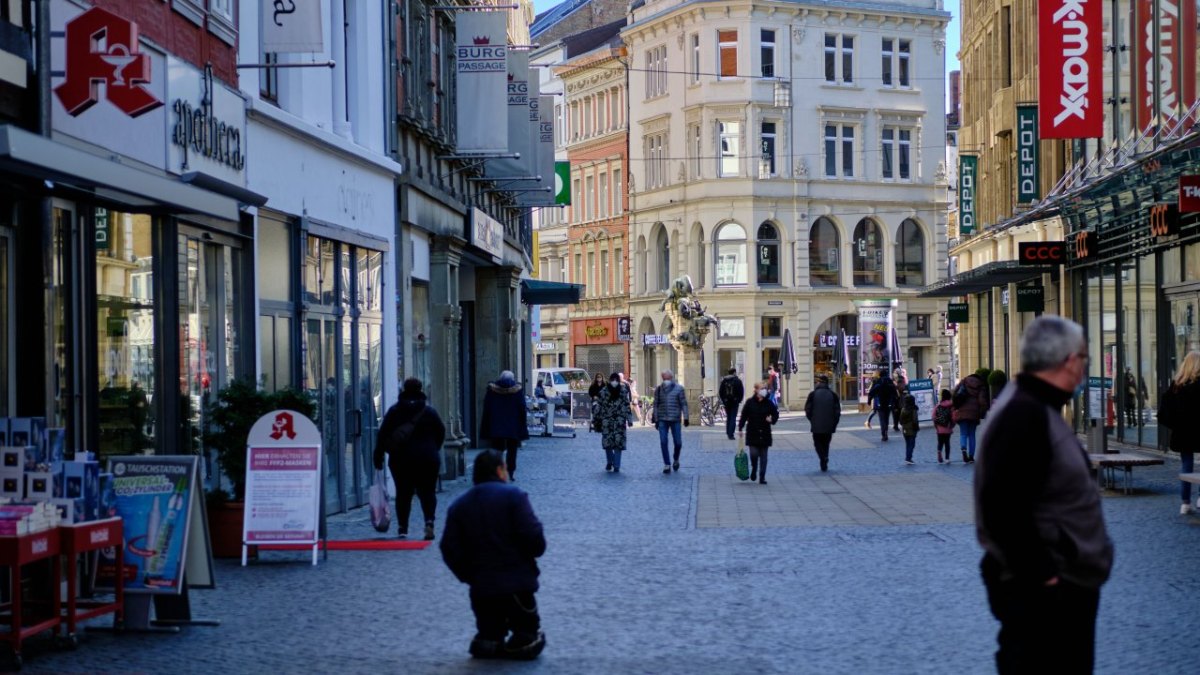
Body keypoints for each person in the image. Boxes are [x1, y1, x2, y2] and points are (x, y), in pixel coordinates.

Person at [975, 316, 1113, 674]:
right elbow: (1002, 507)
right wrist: (1044, 574)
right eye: (1084, 359)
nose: (1084, 371)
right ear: (1069, 360)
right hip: (1047, 595)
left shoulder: (1035, 408)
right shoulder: (1024, 415)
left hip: (1056, 587)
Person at [440, 450, 547, 661]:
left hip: (482, 587)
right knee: (527, 637)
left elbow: (449, 547)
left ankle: (490, 642)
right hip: (517, 585)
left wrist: (468, 575)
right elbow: (533, 537)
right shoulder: (514, 497)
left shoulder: (460, 505)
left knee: (488, 638)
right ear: (500, 471)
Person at [374, 378, 447, 540]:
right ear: (420, 390)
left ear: (403, 390)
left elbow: (383, 435)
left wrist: (378, 455)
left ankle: (403, 528)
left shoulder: (394, 411)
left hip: (401, 459)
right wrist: (433, 448)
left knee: (403, 493)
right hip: (428, 458)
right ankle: (429, 521)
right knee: (428, 491)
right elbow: (441, 431)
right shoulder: (430, 412)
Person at [1157, 350, 1200, 515]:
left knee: (1186, 464)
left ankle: (1185, 503)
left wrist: (1176, 424)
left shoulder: (1176, 386)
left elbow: (1164, 412)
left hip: (1183, 432)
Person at [479, 370, 530, 479]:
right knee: (512, 451)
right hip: (513, 426)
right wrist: (522, 424)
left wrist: (487, 424)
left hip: (496, 425)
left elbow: (487, 408)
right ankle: (510, 472)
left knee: (497, 451)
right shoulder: (517, 391)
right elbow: (522, 408)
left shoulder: (492, 390)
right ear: (512, 379)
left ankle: (496, 472)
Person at [739, 381, 779, 484]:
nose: (764, 390)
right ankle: (754, 468)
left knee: (764, 456)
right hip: (753, 432)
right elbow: (743, 415)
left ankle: (762, 476)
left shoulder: (769, 403)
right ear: (756, 390)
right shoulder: (750, 402)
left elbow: (775, 414)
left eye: (765, 388)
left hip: (765, 432)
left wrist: (772, 419)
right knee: (754, 454)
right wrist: (740, 428)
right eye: (762, 388)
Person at [595, 372, 633, 472]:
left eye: (616, 380)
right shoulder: (604, 391)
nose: (615, 382)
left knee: (617, 444)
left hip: (616, 421)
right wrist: (596, 419)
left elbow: (627, 406)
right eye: (613, 380)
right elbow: (599, 406)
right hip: (609, 421)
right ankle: (611, 462)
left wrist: (629, 419)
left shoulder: (623, 391)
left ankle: (616, 465)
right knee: (609, 444)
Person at [652, 369, 689, 474]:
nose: (666, 380)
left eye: (667, 378)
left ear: (671, 378)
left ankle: (676, 458)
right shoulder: (658, 390)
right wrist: (656, 418)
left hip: (675, 419)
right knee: (663, 442)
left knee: (678, 442)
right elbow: (656, 404)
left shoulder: (679, 389)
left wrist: (686, 417)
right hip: (663, 419)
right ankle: (667, 464)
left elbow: (684, 404)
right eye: (664, 378)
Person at [804, 373, 841, 472]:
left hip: (816, 425)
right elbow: (837, 412)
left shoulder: (813, 394)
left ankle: (822, 457)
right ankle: (824, 457)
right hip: (829, 425)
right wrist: (834, 423)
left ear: (819, 382)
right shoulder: (833, 395)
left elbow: (807, 409)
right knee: (826, 443)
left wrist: (812, 420)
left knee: (817, 443)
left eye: (817, 381)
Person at [952, 370, 990, 463]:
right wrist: (983, 412)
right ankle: (971, 456)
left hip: (962, 411)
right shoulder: (981, 385)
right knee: (972, 435)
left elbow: (954, 393)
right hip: (974, 412)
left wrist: (955, 405)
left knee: (963, 433)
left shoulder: (964, 381)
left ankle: (963, 449)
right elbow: (982, 401)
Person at [867, 370, 899, 441]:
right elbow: (895, 393)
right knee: (886, 418)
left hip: (880, 403)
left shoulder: (879, 381)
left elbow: (872, 391)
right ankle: (886, 432)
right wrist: (896, 402)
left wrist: (869, 400)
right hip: (888, 403)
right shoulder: (890, 381)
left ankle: (883, 433)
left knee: (882, 419)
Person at [718, 367, 745, 440]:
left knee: (729, 416)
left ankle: (728, 431)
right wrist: (739, 400)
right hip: (734, 402)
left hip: (727, 402)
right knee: (733, 417)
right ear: (734, 372)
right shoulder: (737, 381)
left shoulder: (724, 381)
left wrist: (724, 400)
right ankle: (731, 434)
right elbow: (741, 392)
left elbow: (720, 391)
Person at [933, 389, 956, 464]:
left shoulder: (938, 405)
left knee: (940, 442)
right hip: (948, 427)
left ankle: (939, 452)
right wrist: (952, 425)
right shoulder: (951, 405)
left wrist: (936, 424)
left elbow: (933, 416)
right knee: (947, 443)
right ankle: (947, 458)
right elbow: (953, 417)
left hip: (939, 428)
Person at [899, 394, 919, 465]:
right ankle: (908, 458)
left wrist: (904, 425)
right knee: (911, 444)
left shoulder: (903, 409)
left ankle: (908, 457)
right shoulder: (914, 409)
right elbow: (915, 420)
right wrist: (916, 427)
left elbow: (900, 420)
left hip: (905, 429)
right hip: (912, 429)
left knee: (908, 443)